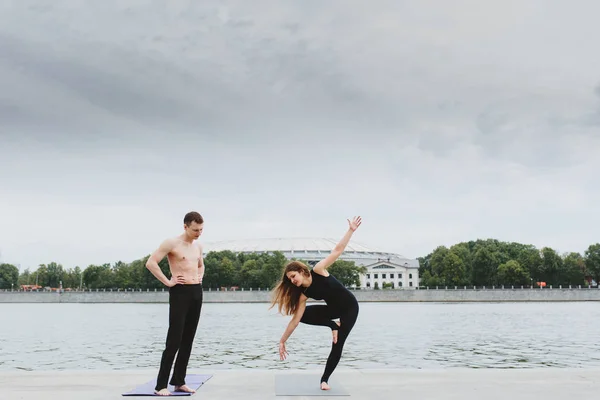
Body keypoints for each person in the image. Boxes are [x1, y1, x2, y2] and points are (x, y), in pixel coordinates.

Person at [270, 216, 362, 391]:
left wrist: (350, 230)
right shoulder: (303, 294)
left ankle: (324, 380)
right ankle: (332, 325)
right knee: (300, 314)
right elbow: (295, 321)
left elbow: (337, 250)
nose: (292, 281)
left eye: (293, 276)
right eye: (289, 279)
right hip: (333, 310)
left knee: (337, 344)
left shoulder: (319, 270)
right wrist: (282, 341)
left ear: (302, 271)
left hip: (350, 308)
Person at [145, 211, 205, 396]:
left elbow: (201, 265)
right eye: (195, 229)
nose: (198, 233)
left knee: (188, 339)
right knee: (174, 339)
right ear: (185, 226)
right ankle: (160, 386)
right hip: (180, 292)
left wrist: (199, 278)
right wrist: (168, 282)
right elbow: (151, 263)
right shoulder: (171, 243)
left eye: (201, 230)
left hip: (196, 292)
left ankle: (179, 381)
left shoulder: (198, 246)